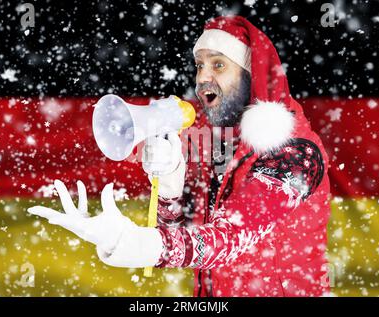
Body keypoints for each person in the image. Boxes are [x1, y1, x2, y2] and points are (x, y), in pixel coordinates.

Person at [28, 16, 331, 297]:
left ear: (252, 75)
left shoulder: (298, 154)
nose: (203, 78)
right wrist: (171, 191)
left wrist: (138, 244)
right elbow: (181, 240)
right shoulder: (222, 145)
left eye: (219, 65)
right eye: (199, 65)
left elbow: (230, 238)